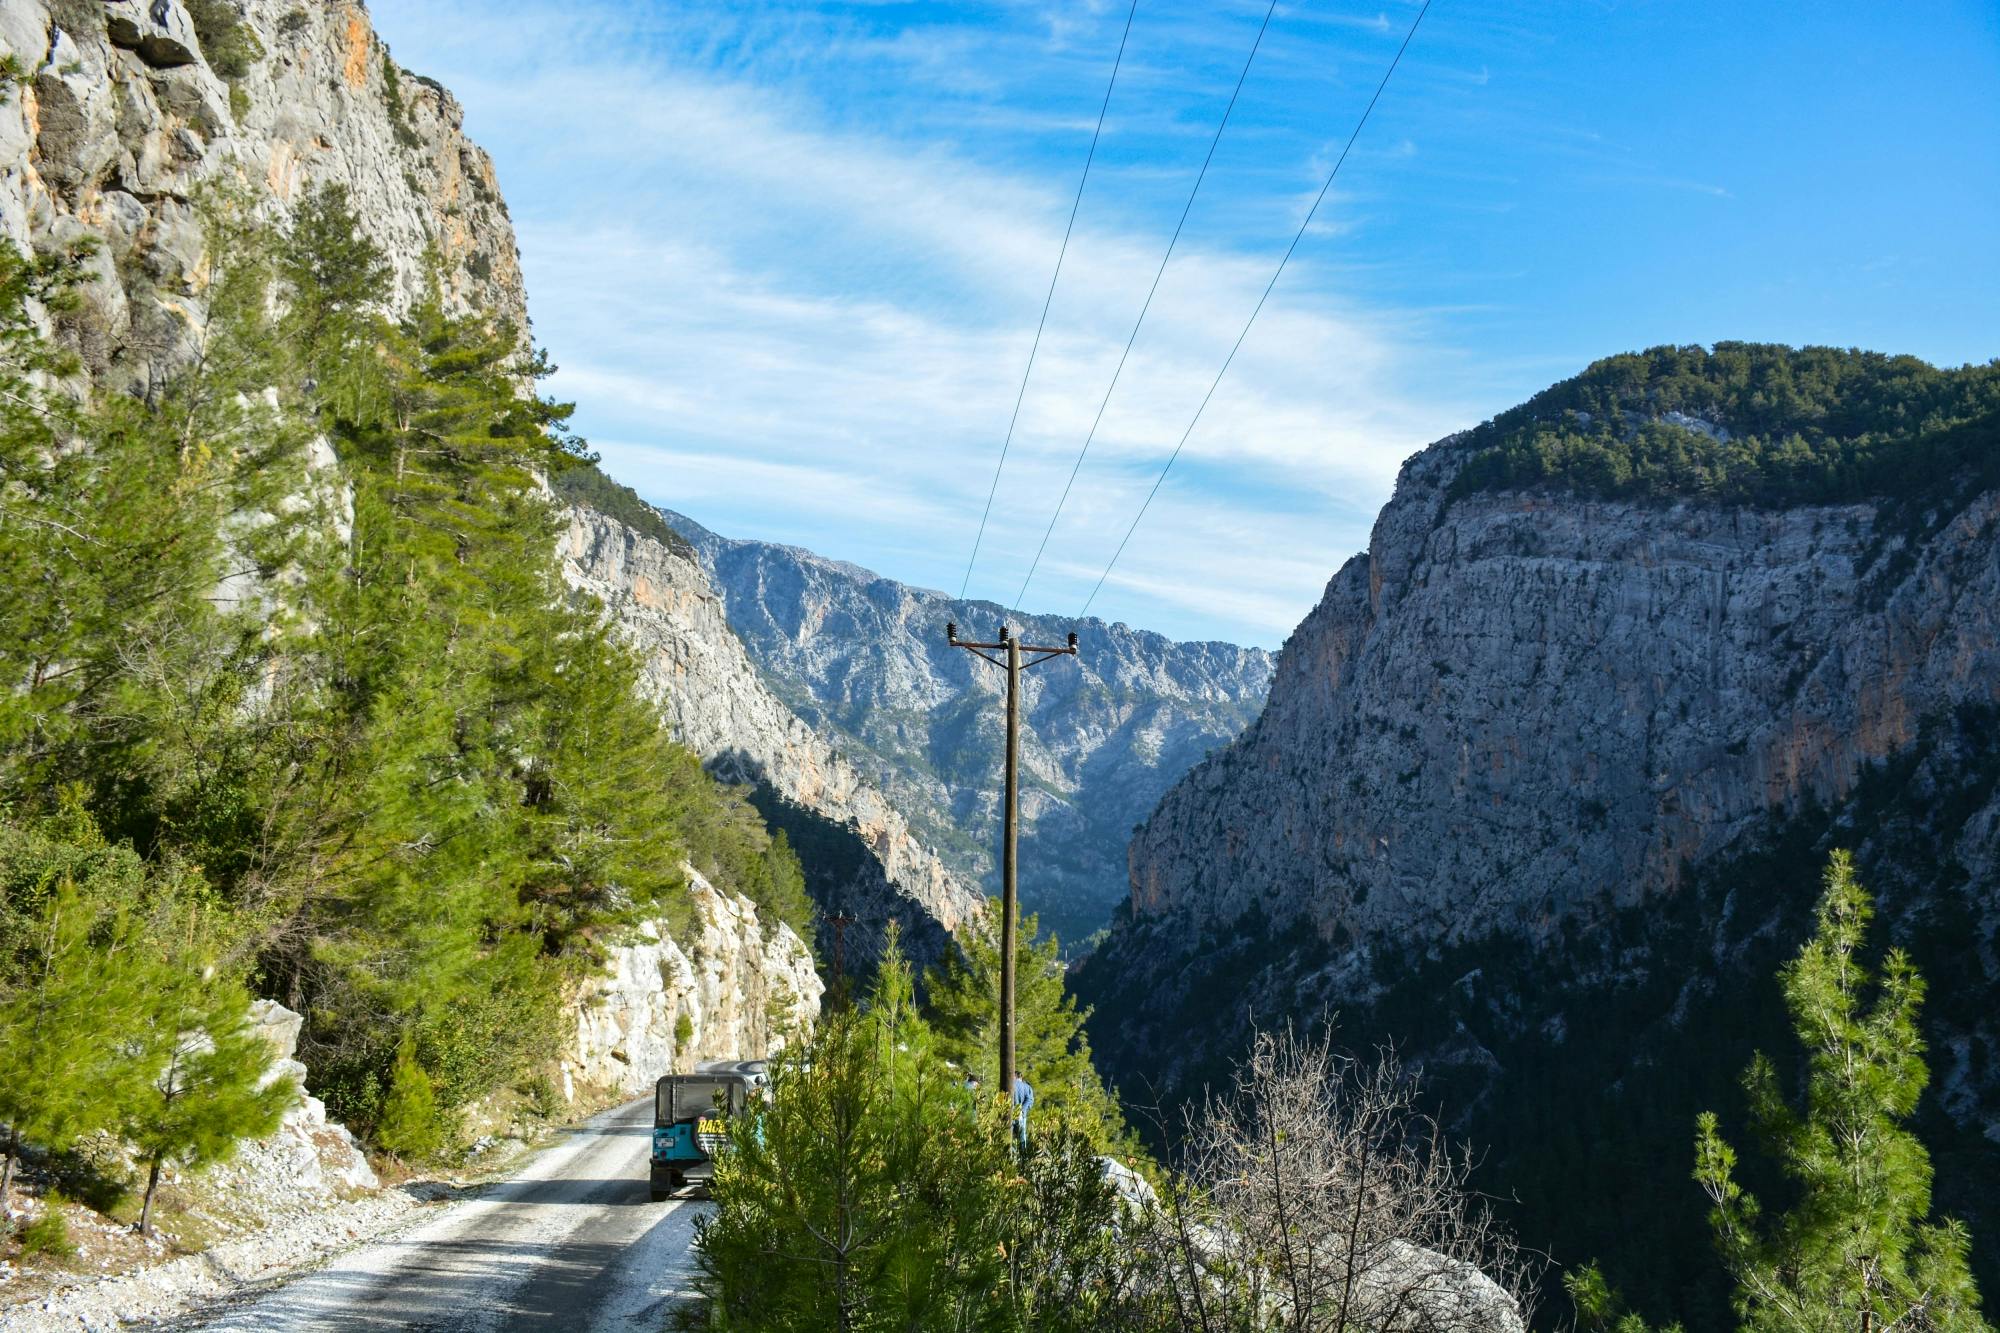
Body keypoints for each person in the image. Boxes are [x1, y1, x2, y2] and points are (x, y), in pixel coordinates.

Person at [1011, 1076, 1034, 1143]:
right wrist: (1022, 1110)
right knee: (1021, 1135)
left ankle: (1012, 1152)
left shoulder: (1007, 1083)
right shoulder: (1026, 1086)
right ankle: (1022, 1152)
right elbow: (1030, 1100)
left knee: (1010, 1135)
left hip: (1009, 1113)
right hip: (1021, 1115)